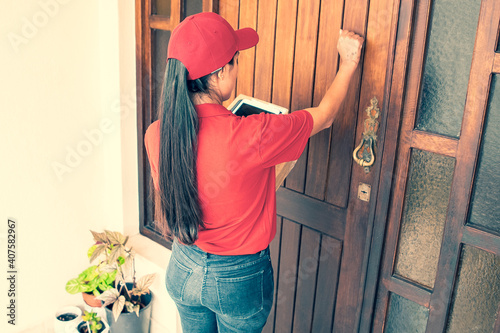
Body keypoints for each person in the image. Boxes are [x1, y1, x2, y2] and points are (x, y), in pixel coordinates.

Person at [144, 12, 363, 333]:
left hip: (183, 267)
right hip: (238, 279)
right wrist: (348, 64)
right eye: (235, 62)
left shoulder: (157, 133)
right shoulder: (252, 134)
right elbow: (326, 116)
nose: (237, 68)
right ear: (219, 74)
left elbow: (195, 187)